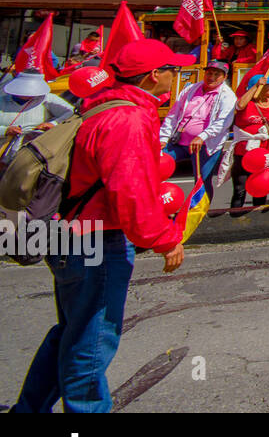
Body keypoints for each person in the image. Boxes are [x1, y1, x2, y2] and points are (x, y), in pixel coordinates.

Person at [12, 39, 190, 414]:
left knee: (71, 335)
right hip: (96, 239)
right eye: (172, 69)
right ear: (155, 75)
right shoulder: (128, 118)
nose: (176, 75)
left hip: (68, 235)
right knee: (90, 344)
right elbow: (131, 193)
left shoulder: (101, 106)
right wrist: (165, 240)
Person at [159, 60, 237, 201]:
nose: (211, 77)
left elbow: (223, 123)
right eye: (209, 73)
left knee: (202, 181)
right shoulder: (190, 89)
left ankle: (199, 213)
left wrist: (202, 136)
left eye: (216, 74)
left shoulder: (228, 96)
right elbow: (173, 114)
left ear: (224, 77)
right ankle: (157, 204)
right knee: (156, 163)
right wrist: (163, 138)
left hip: (206, 145)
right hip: (179, 141)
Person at [227, 73, 269, 208]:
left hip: (265, 153)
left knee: (260, 189)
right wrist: (255, 86)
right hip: (243, 152)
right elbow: (239, 105)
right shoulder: (247, 103)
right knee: (239, 190)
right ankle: (235, 219)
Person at [1, 70, 75, 164]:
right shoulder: (2, 101)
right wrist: (5, 130)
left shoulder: (47, 99)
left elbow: (71, 113)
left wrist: (53, 123)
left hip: (30, 153)